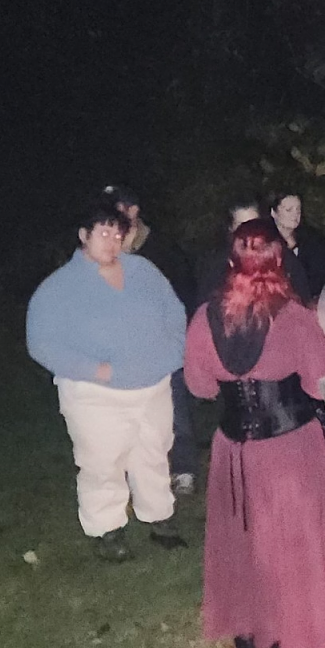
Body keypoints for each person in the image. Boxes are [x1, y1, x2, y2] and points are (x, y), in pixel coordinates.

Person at [183, 219, 325, 648]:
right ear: (277, 260)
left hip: (233, 452)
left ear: (233, 260)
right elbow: (319, 383)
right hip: (287, 451)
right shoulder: (293, 317)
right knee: (290, 550)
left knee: (244, 548)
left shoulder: (205, 317)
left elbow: (199, 386)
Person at [25, 201, 188, 561]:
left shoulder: (143, 271)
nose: (112, 241)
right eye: (103, 233)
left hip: (152, 386)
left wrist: (174, 353)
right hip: (97, 396)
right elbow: (41, 342)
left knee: (154, 453)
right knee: (103, 462)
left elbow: (173, 311)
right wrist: (95, 370)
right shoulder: (59, 288)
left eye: (118, 233)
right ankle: (107, 529)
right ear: (84, 236)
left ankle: (159, 517)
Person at [104, 183, 203, 498]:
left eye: (119, 209)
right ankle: (141, 474)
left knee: (175, 407)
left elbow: (183, 292)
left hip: (162, 346)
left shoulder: (161, 248)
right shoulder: (107, 250)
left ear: (133, 210)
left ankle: (184, 468)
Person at [268, 191, 325, 303]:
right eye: (289, 210)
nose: (295, 214)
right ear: (274, 212)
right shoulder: (265, 243)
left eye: (298, 210)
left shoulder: (313, 239)